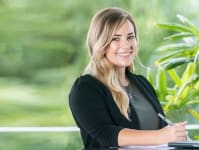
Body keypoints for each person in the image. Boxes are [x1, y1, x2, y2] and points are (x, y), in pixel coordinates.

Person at [69, 7, 188, 149]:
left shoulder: (142, 84)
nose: (126, 45)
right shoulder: (86, 88)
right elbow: (106, 134)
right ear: (100, 43)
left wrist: (175, 136)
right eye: (115, 38)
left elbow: (161, 131)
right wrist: (162, 135)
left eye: (130, 37)